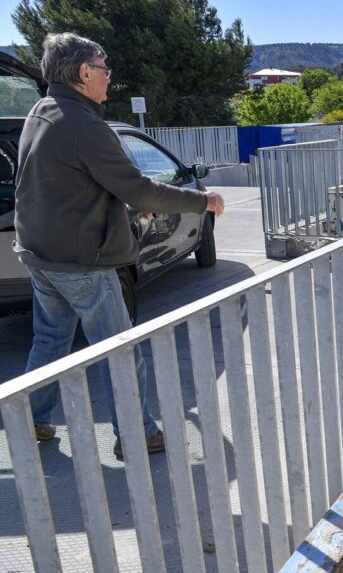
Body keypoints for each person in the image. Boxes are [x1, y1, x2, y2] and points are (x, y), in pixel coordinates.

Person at [13, 33, 225, 460]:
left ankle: (31, 420)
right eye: (105, 70)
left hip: (38, 253)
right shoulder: (85, 125)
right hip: (81, 264)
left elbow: (69, 184)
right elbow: (142, 191)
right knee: (119, 348)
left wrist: (119, 202)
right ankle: (137, 433)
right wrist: (203, 201)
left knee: (51, 339)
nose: (110, 79)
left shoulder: (41, 111)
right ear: (83, 73)